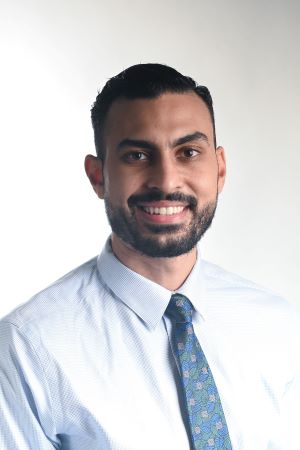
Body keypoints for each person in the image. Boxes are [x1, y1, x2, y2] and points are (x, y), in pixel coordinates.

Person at [0, 63, 299, 450]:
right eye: (137, 156)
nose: (166, 181)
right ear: (98, 176)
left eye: (188, 152)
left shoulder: (279, 325)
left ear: (220, 169)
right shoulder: (29, 348)